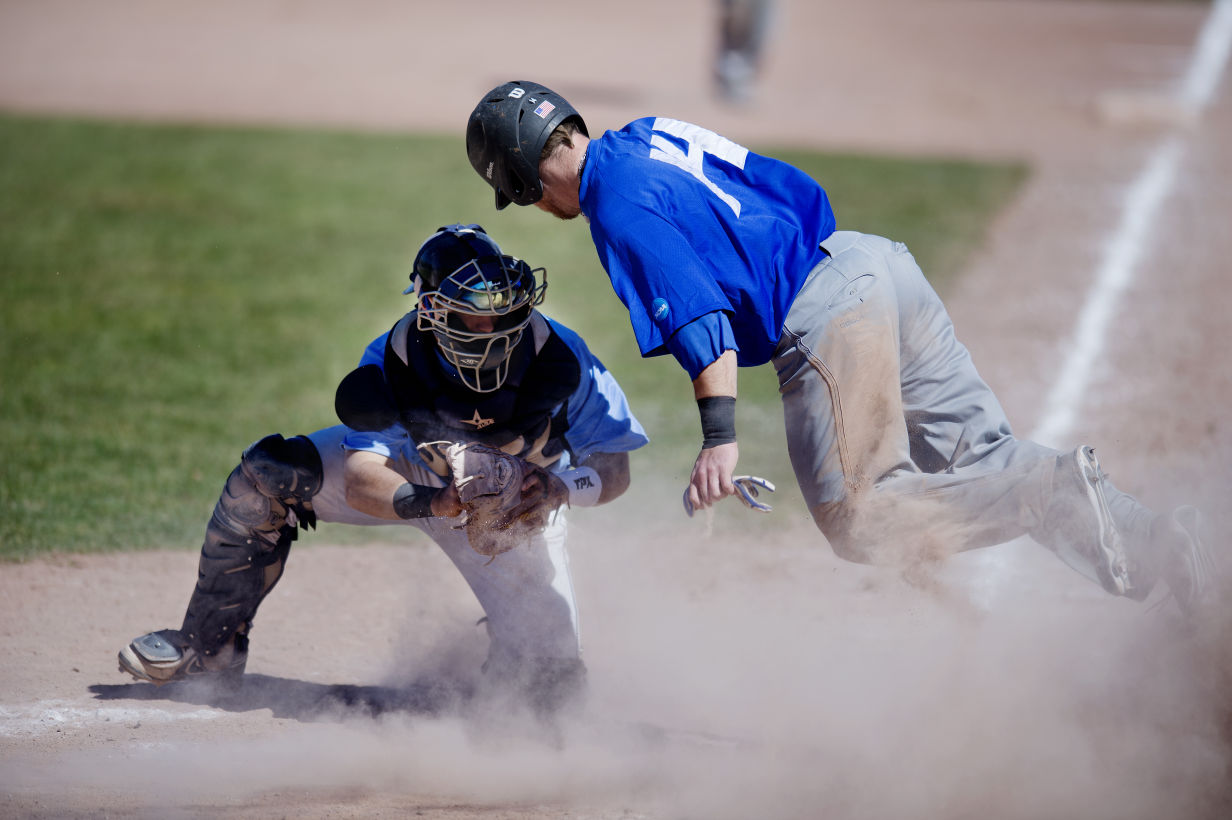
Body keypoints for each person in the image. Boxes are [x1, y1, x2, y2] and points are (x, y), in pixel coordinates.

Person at [463, 81, 1215, 616]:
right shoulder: (644, 136)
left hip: (827, 315)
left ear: (524, 175)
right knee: (984, 455)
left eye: (520, 192)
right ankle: (1157, 542)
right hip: (873, 264)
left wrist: (718, 440)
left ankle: (1051, 489)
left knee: (860, 520)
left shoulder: (615, 204)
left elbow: (702, 321)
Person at [118, 224, 649, 716]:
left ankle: (509, 658)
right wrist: (435, 501)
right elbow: (362, 476)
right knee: (269, 475)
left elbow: (614, 467)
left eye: (502, 312)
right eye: (472, 314)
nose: (490, 328)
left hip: (519, 507)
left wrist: (558, 488)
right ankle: (208, 650)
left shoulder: (560, 355)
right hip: (415, 475)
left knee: (548, 700)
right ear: (431, 309)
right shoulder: (398, 356)